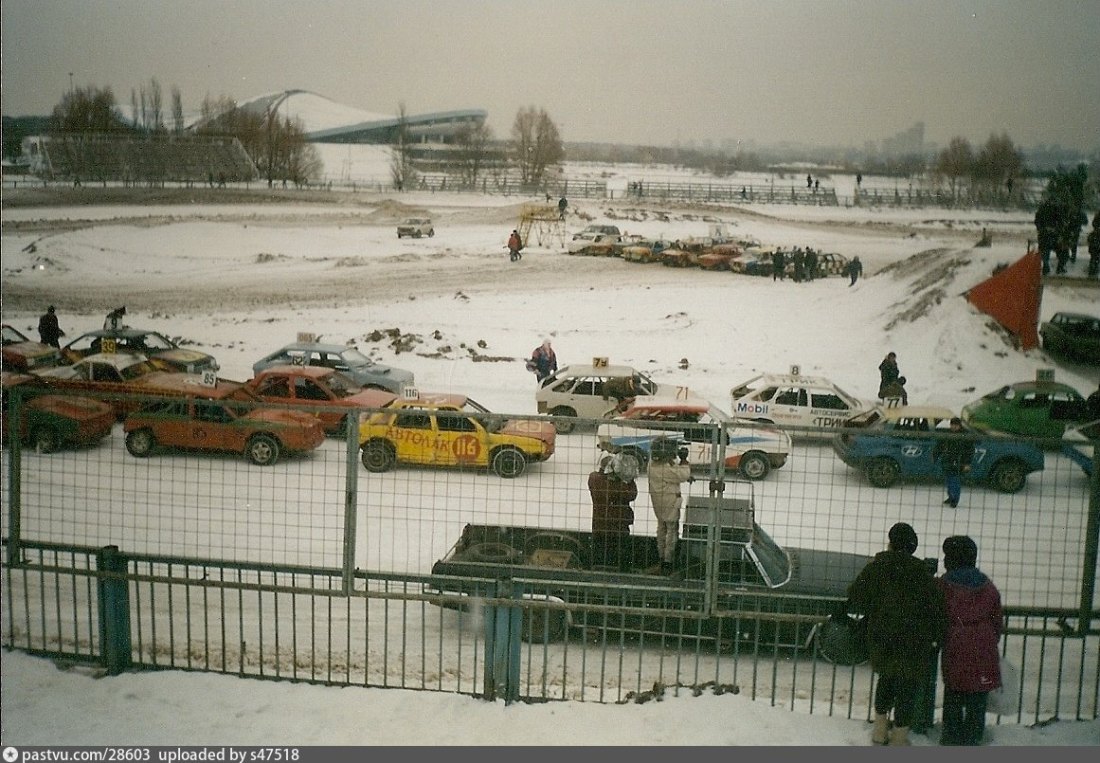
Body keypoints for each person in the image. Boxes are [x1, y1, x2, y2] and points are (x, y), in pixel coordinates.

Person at [847, 522, 947, 746]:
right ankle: (900, 737)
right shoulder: (921, 572)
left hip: (882, 637)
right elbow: (936, 608)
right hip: (913, 640)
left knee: (886, 680)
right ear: (913, 546)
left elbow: (856, 597)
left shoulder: (877, 567)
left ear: (890, 542)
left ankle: (880, 729)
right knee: (907, 688)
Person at [936, 535, 1002, 746]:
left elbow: (938, 614)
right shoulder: (987, 585)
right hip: (984, 646)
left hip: (955, 644)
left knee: (954, 691)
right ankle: (974, 737)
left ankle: (952, 736)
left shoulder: (944, 585)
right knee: (977, 696)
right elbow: (997, 620)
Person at [646, 440, 693, 573]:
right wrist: (684, 460)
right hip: (670, 502)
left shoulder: (652, 464)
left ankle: (661, 558)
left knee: (661, 528)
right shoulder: (665, 467)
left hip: (659, 502)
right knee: (671, 531)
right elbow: (683, 474)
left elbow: (673, 472)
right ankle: (668, 561)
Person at [588, 453, 639, 571]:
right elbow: (632, 494)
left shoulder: (594, 479)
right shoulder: (620, 487)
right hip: (619, 527)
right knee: (620, 555)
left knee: (600, 555)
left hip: (599, 526)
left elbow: (598, 476)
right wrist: (628, 479)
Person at [932, 418, 975, 508]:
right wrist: (935, 456)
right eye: (952, 425)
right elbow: (939, 446)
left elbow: (970, 451)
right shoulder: (948, 434)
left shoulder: (965, 436)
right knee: (949, 481)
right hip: (947, 462)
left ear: (959, 425)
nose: (954, 427)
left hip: (959, 462)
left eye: (956, 425)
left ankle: (955, 499)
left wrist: (967, 463)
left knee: (954, 481)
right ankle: (951, 497)